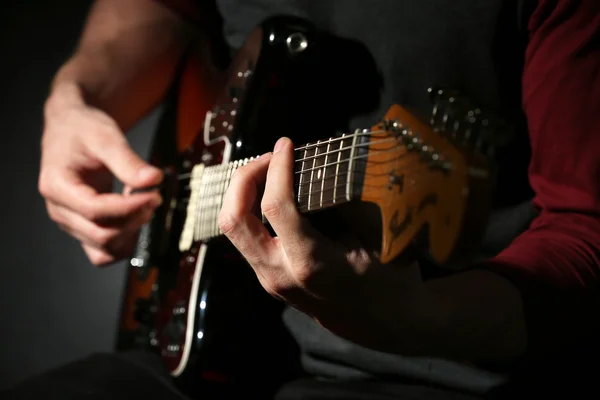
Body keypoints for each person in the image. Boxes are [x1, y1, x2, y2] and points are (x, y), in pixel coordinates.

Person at [5, 0, 600, 399]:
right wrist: (75, 94)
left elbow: (586, 229)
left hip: (452, 373)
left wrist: (410, 316)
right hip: (216, 354)